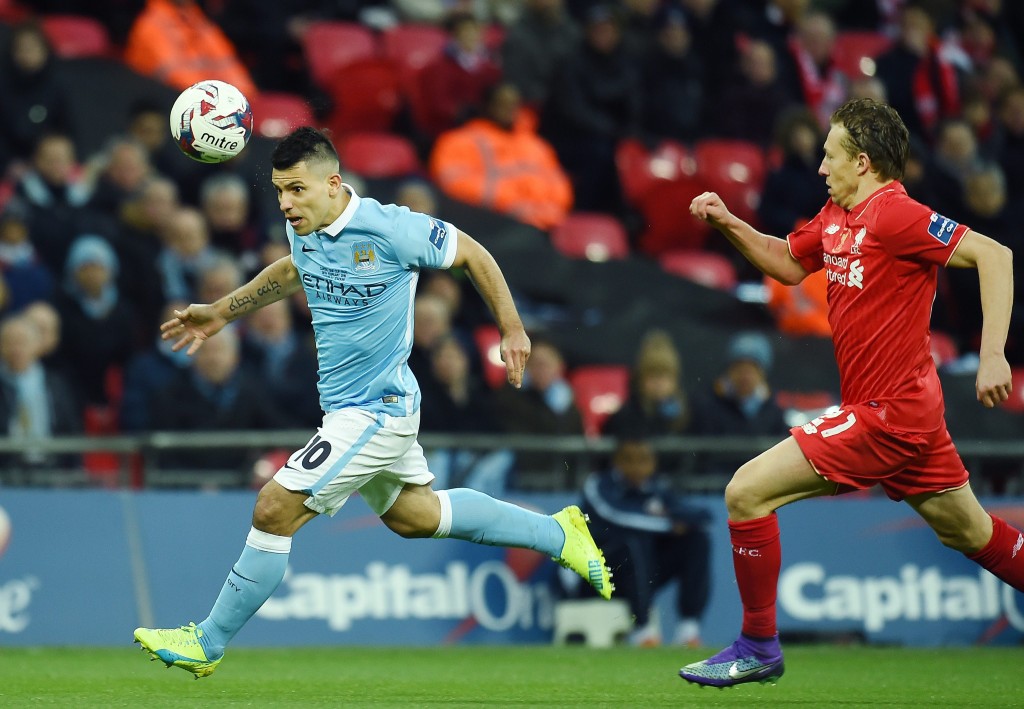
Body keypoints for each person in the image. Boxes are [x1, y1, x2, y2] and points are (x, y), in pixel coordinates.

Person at [133, 126, 612, 677]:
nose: (285, 203)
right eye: (278, 190)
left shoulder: (391, 228)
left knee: (273, 507)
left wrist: (511, 329)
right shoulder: (304, 230)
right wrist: (224, 310)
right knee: (415, 516)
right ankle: (558, 532)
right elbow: (294, 270)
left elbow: (474, 253)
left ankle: (207, 641)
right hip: (352, 408)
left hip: (376, 408)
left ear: (332, 183)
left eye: (295, 189)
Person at [681, 98, 1023, 688]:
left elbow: (995, 255)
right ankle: (757, 645)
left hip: (892, 415)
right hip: (905, 417)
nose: (820, 167)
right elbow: (789, 263)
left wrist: (993, 354)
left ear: (862, 161)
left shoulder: (897, 216)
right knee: (972, 533)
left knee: (745, 493)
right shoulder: (836, 217)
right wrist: (729, 223)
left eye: (829, 155)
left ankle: (758, 645)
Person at [579, 434, 711, 648]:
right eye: (629, 460)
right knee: (632, 542)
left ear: (653, 463)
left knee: (697, 539)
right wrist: (668, 525)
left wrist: (677, 521)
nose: (637, 468)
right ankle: (643, 630)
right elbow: (617, 516)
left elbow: (702, 516)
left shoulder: (657, 488)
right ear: (616, 462)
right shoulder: (598, 485)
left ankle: (689, 628)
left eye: (644, 460)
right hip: (599, 574)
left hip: (643, 574)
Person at [429, 82, 574, 232]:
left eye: (514, 104)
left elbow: (559, 183)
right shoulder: (457, 141)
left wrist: (547, 210)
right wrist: (513, 205)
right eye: (502, 104)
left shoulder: (537, 145)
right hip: (490, 224)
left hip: (546, 224)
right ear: (486, 106)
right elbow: (456, 184)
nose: (509, 110)